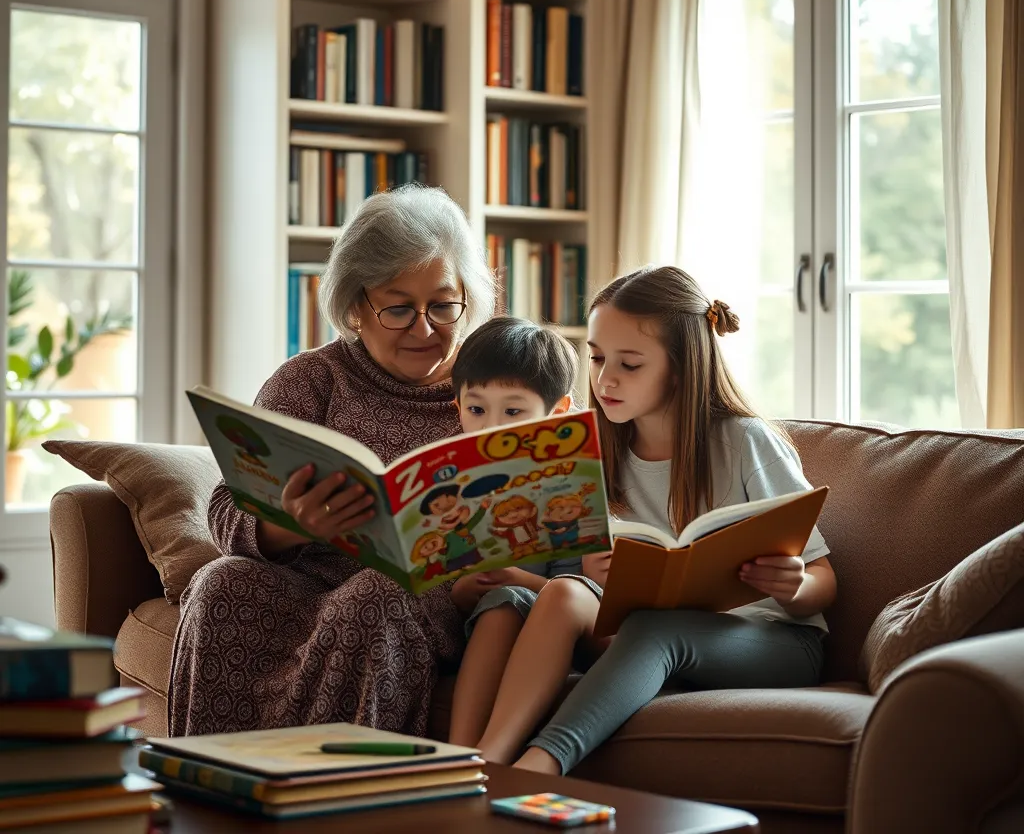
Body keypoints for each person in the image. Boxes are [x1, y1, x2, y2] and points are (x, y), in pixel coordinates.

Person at [168, 185, 496, 737]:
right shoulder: (309, 381)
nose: (423, 328)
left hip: (429, 602)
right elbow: (226, 506)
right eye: (397, 308)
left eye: (442, 305)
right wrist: (288, 525)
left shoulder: (499, 383)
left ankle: (330, 796)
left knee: (376, 597)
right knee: (221, 583)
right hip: (306, 586)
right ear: (353, 308)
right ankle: (214, 781)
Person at [505, 265, 837, 775]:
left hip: (775, 642)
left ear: (681, 367)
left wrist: (794, 584)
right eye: (595, 358)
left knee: (658, 630)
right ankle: (487, 759)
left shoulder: (746, 442)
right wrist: (595, 576)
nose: (604, 379)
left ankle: (542, 763)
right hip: (645, 631)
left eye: (630, 364)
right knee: (562, 593)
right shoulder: (591, 450)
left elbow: (823, 583)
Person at [445, 316, 604, 749]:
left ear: (557, 413)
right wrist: (464, 589)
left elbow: (582, 588)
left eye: (513, 411)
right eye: (477, 409)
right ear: (457, 408)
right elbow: (457, 588)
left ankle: (471, 756)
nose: (491, 426)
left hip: (563, 626)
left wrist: (517, 579)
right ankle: (459, 757)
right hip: (488, 618)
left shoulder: (575, 483)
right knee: (499, 603)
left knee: (505, 598)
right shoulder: (455, 487)